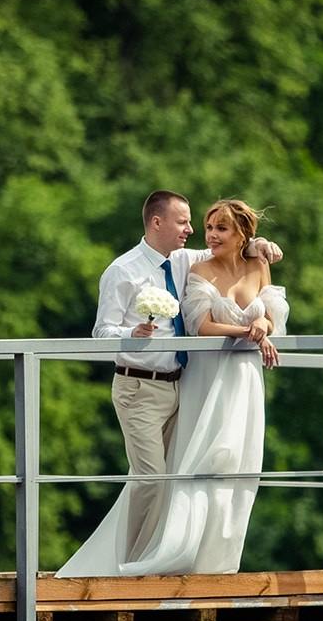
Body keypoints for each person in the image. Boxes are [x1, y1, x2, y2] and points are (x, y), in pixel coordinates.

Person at [60, 197, 288, 577]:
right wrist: (131, 333)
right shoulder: (123, 271)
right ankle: (124, 570)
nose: (193, 231)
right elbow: (101, 333)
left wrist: (257, 245)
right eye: (184, 222)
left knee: (176, 477)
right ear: (156, 222)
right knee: (151, 480)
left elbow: (232, 247)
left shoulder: (183, 259)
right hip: (139, 387)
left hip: (180, 386)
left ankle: (152, 558)